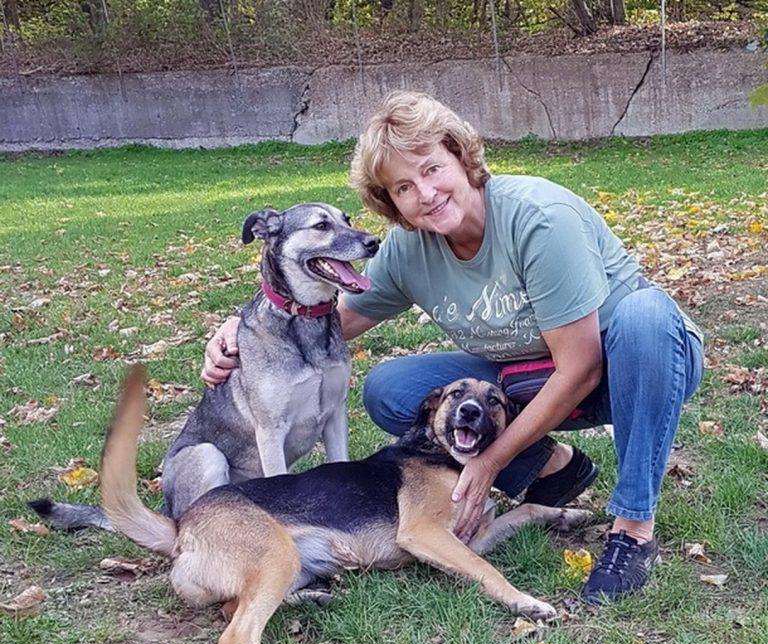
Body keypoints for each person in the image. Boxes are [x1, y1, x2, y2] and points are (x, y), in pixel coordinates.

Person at [203, 91, 704, 604]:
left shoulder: (539, 218)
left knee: (646, 315)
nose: (425, 193)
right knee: (391, 388)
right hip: (526, 375)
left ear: (462, 158)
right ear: (390, 202)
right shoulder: (410, 248)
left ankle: (633, 528)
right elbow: (328, 320)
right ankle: (553, 467)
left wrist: (489, 462)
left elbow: (581, 369)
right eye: (403, 187)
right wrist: (244, 332)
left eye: (432, 168)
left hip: (634, 366)